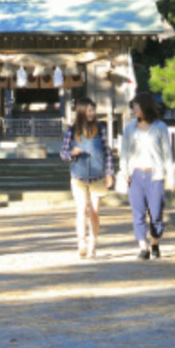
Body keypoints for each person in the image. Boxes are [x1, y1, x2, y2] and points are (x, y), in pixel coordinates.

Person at [119, 91, 175, 260]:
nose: (135, 109)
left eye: (137, 105)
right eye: (134, 106)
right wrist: (125, 171)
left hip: (155, 174)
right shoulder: (129, 127)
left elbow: (167, 153)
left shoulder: (160, 127)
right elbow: (125, 152)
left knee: (156, 212)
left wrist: (171, 176)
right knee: (138, 212)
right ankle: (143, 247)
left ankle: (155, 242)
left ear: (145, 106)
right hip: (136, 174)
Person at [60, 96, 115, 258]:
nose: (92, 113)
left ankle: (93, 243)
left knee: (95, 212)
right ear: (82, 111)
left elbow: (108, 152)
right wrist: (71, 154)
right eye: (89, 110)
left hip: (97, 176)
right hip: (78, 176)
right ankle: (81, 241)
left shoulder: (101, 129)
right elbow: (63, 154)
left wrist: (110, 173)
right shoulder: (71, 131)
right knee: (81, 209)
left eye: (93, 110)